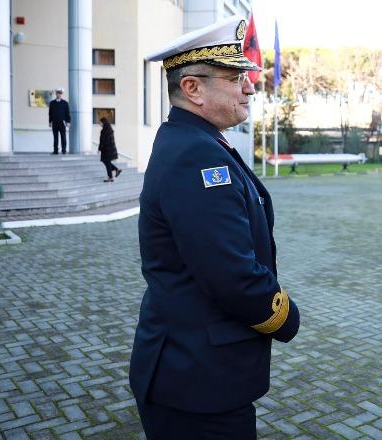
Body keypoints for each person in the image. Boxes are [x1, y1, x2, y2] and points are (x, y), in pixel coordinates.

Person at [129, 16, 300, 439]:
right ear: (193, 89)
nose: (250, 86)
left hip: (196, 372)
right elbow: (231, 274)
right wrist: (285, 318)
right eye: (236, 76)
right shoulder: (197, 155)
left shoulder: (197, 142)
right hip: (196, 381)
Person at [97, 117, 122, 182]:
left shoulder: (104, 131)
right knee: (107, 162)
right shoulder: (110, 129)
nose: (99, 124)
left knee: (106, 162)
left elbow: (102, 141)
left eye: (100, 122)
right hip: (110, 150)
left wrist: (99, 149)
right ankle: (116, 170)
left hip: (106, 150)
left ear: (103, 122)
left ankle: (110, 177)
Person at [48, 88, 71, 154]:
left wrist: (68, 122)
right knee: (55, 137)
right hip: (54, 122)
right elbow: (50, 113)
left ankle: (64, 150)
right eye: (58, 93)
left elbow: (67, 113)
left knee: (63, 136)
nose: (59, 95)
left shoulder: (65, 103)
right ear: (56, 94)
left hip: (62, 122)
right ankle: (55, 150)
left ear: (62, 94)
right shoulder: (52, 103)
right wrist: (50, 122)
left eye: (60, 93)